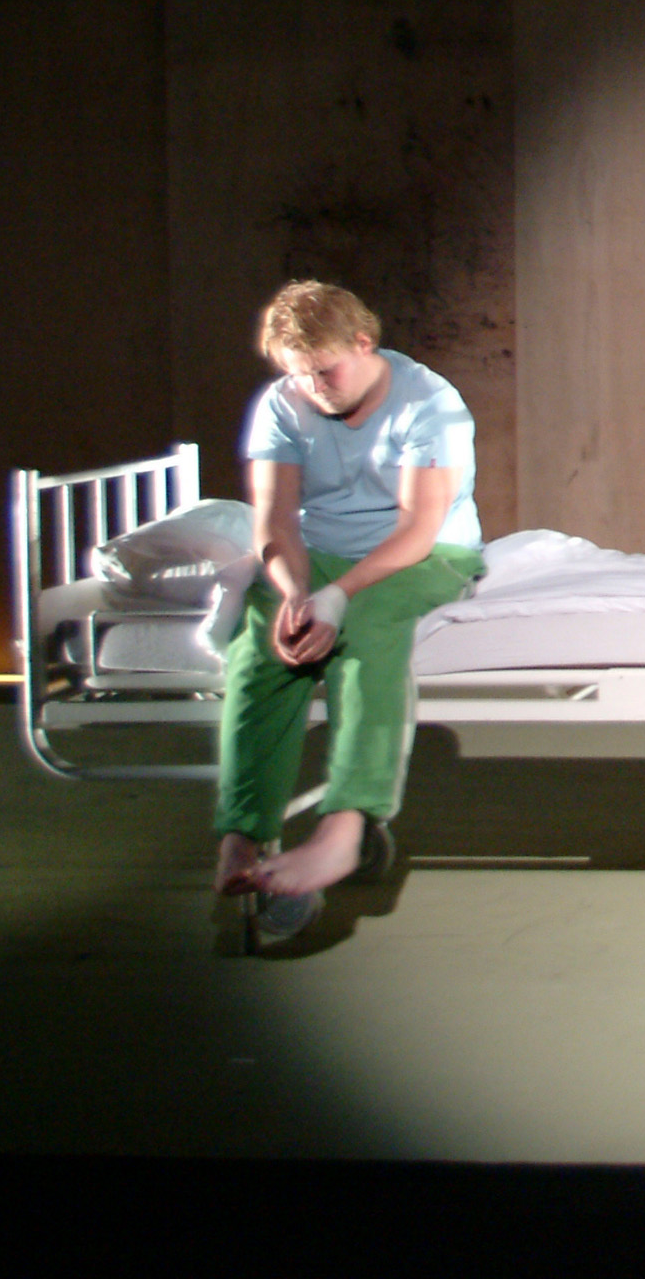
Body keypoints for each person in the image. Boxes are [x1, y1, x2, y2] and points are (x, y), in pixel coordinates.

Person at [211, 281, 484, 928]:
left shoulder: (429, 402)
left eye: (325, 371)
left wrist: (338, 596)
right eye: (298, 375)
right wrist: (295, 592)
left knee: (368, 624)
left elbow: (418, 528)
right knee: (262, 644)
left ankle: (346, 824)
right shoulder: (282, 403)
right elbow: (275, 519)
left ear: (364, 344)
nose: (314, 388)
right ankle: (242, 836)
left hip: (425, 553)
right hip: (320, 552)